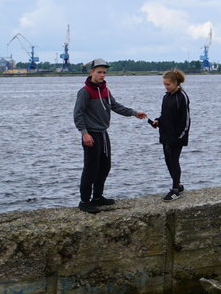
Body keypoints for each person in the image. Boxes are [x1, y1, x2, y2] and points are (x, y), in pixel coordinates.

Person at [73, 59, 146, 213]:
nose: (102, 75)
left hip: (103, 134)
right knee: (91, 169)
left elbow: (115, 106)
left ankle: (97, 197)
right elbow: (77, 115)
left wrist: (134, 113)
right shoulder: (85, 92)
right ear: (91, 72)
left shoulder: (105, 90)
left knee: (105, 167)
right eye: (99, 72)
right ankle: (85, 201)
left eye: (104, 72)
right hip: (91, 134)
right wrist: (84, 133)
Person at [148, 68, 190, 201]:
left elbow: (186, 119)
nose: (166, 87)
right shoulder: (166, 97)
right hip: (166, 134)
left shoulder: (182, 97)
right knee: (168, 161)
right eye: (164, 84)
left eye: (168, 84)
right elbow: (165, 116)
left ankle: (175, 190)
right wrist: (157, 121)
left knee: (174, 160)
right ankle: (177, 184)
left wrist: (180, 136)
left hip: (177, 137)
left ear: (176, 83)